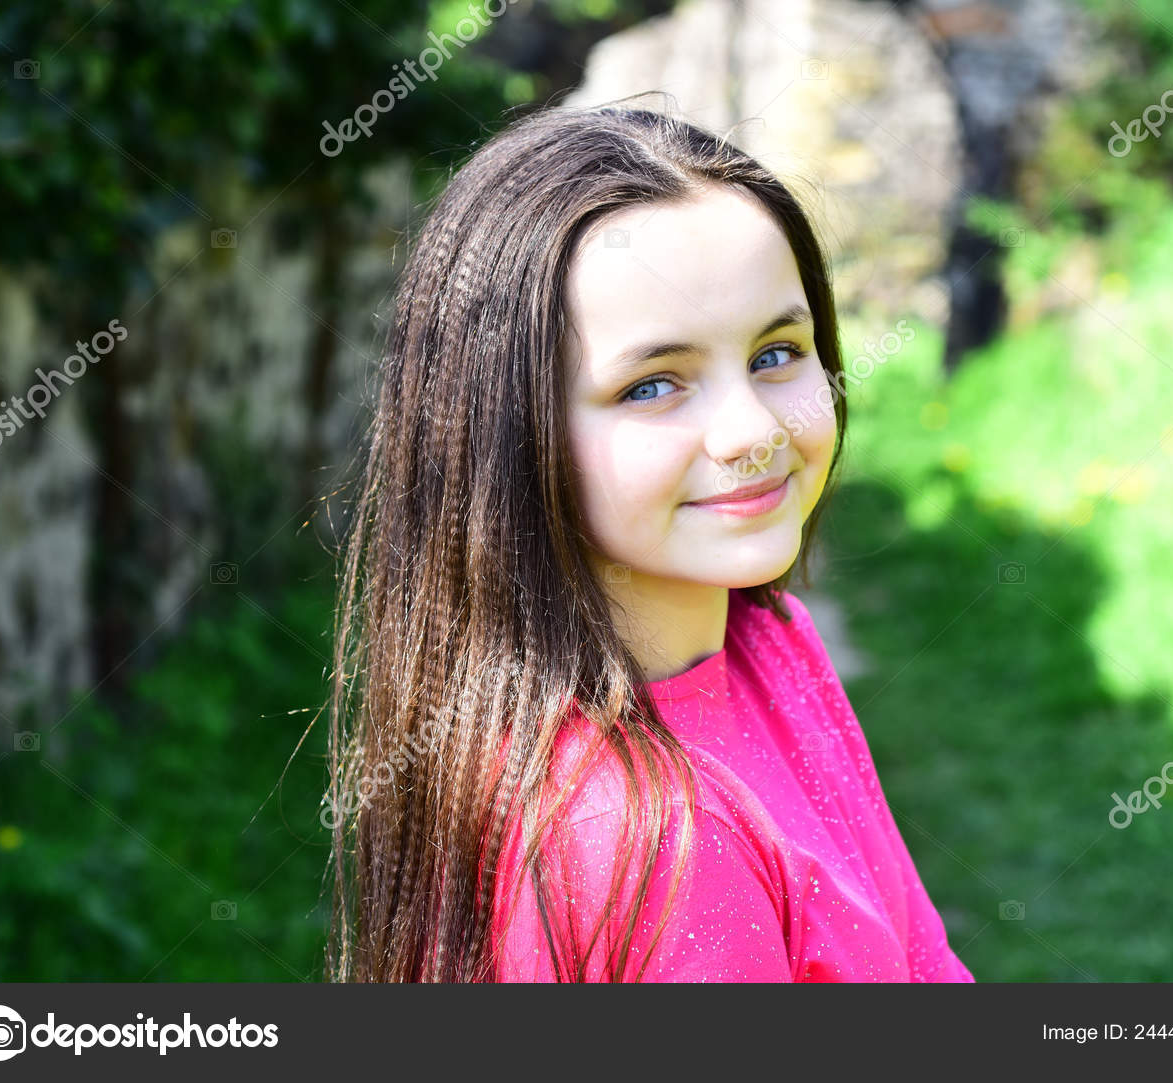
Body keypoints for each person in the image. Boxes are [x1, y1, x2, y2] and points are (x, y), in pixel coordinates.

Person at [324, 101, 974, 982]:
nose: (750, 430)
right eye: (653, 385)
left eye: (777, 353)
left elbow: (924, 960)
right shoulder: (648, 842)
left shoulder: (771, 644)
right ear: (508, 435)